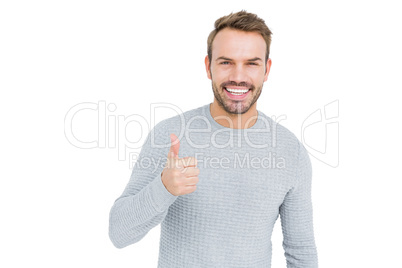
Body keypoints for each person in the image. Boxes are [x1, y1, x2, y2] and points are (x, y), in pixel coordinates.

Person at [109, 10, 318, 267]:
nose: (238, 76)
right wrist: (163, 188)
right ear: (208, 67)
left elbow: (301, 252)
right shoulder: (170, 135)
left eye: (251, 63)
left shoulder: (290, 152)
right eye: (226, 62)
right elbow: (119, 234)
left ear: (267, 69)